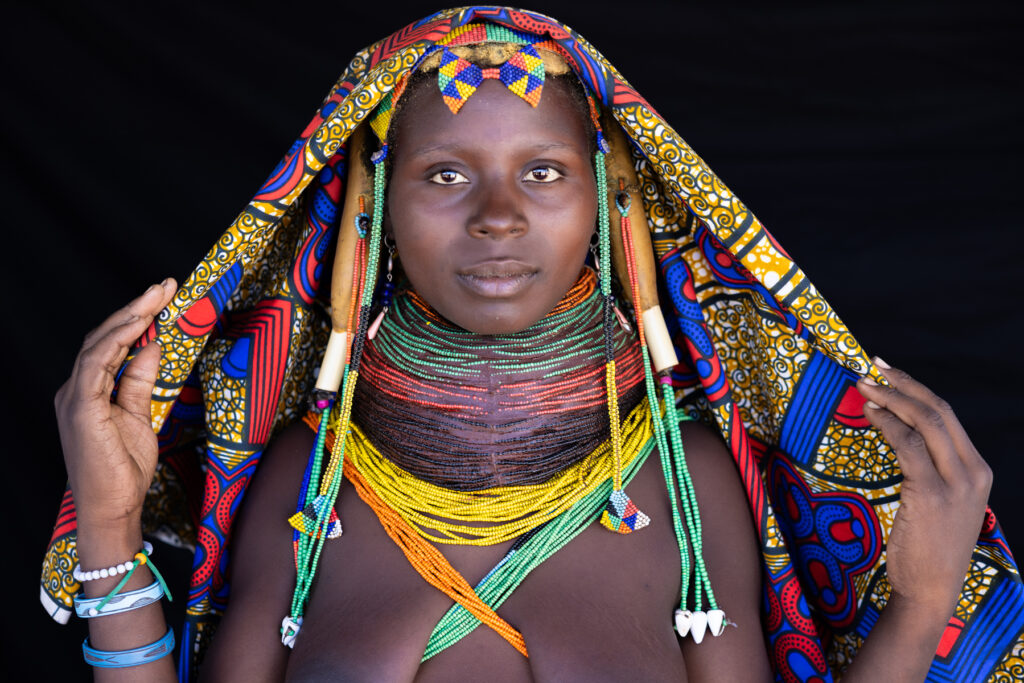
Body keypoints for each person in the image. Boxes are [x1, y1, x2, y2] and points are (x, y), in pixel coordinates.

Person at [43, 7, 1021, 681]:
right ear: (375, 203)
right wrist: (110, 523)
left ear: (606, 199)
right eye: (443, 175)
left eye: (544, 171)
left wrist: (922, 598)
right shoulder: (310, 482)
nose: (499, 216)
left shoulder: (684, 481)